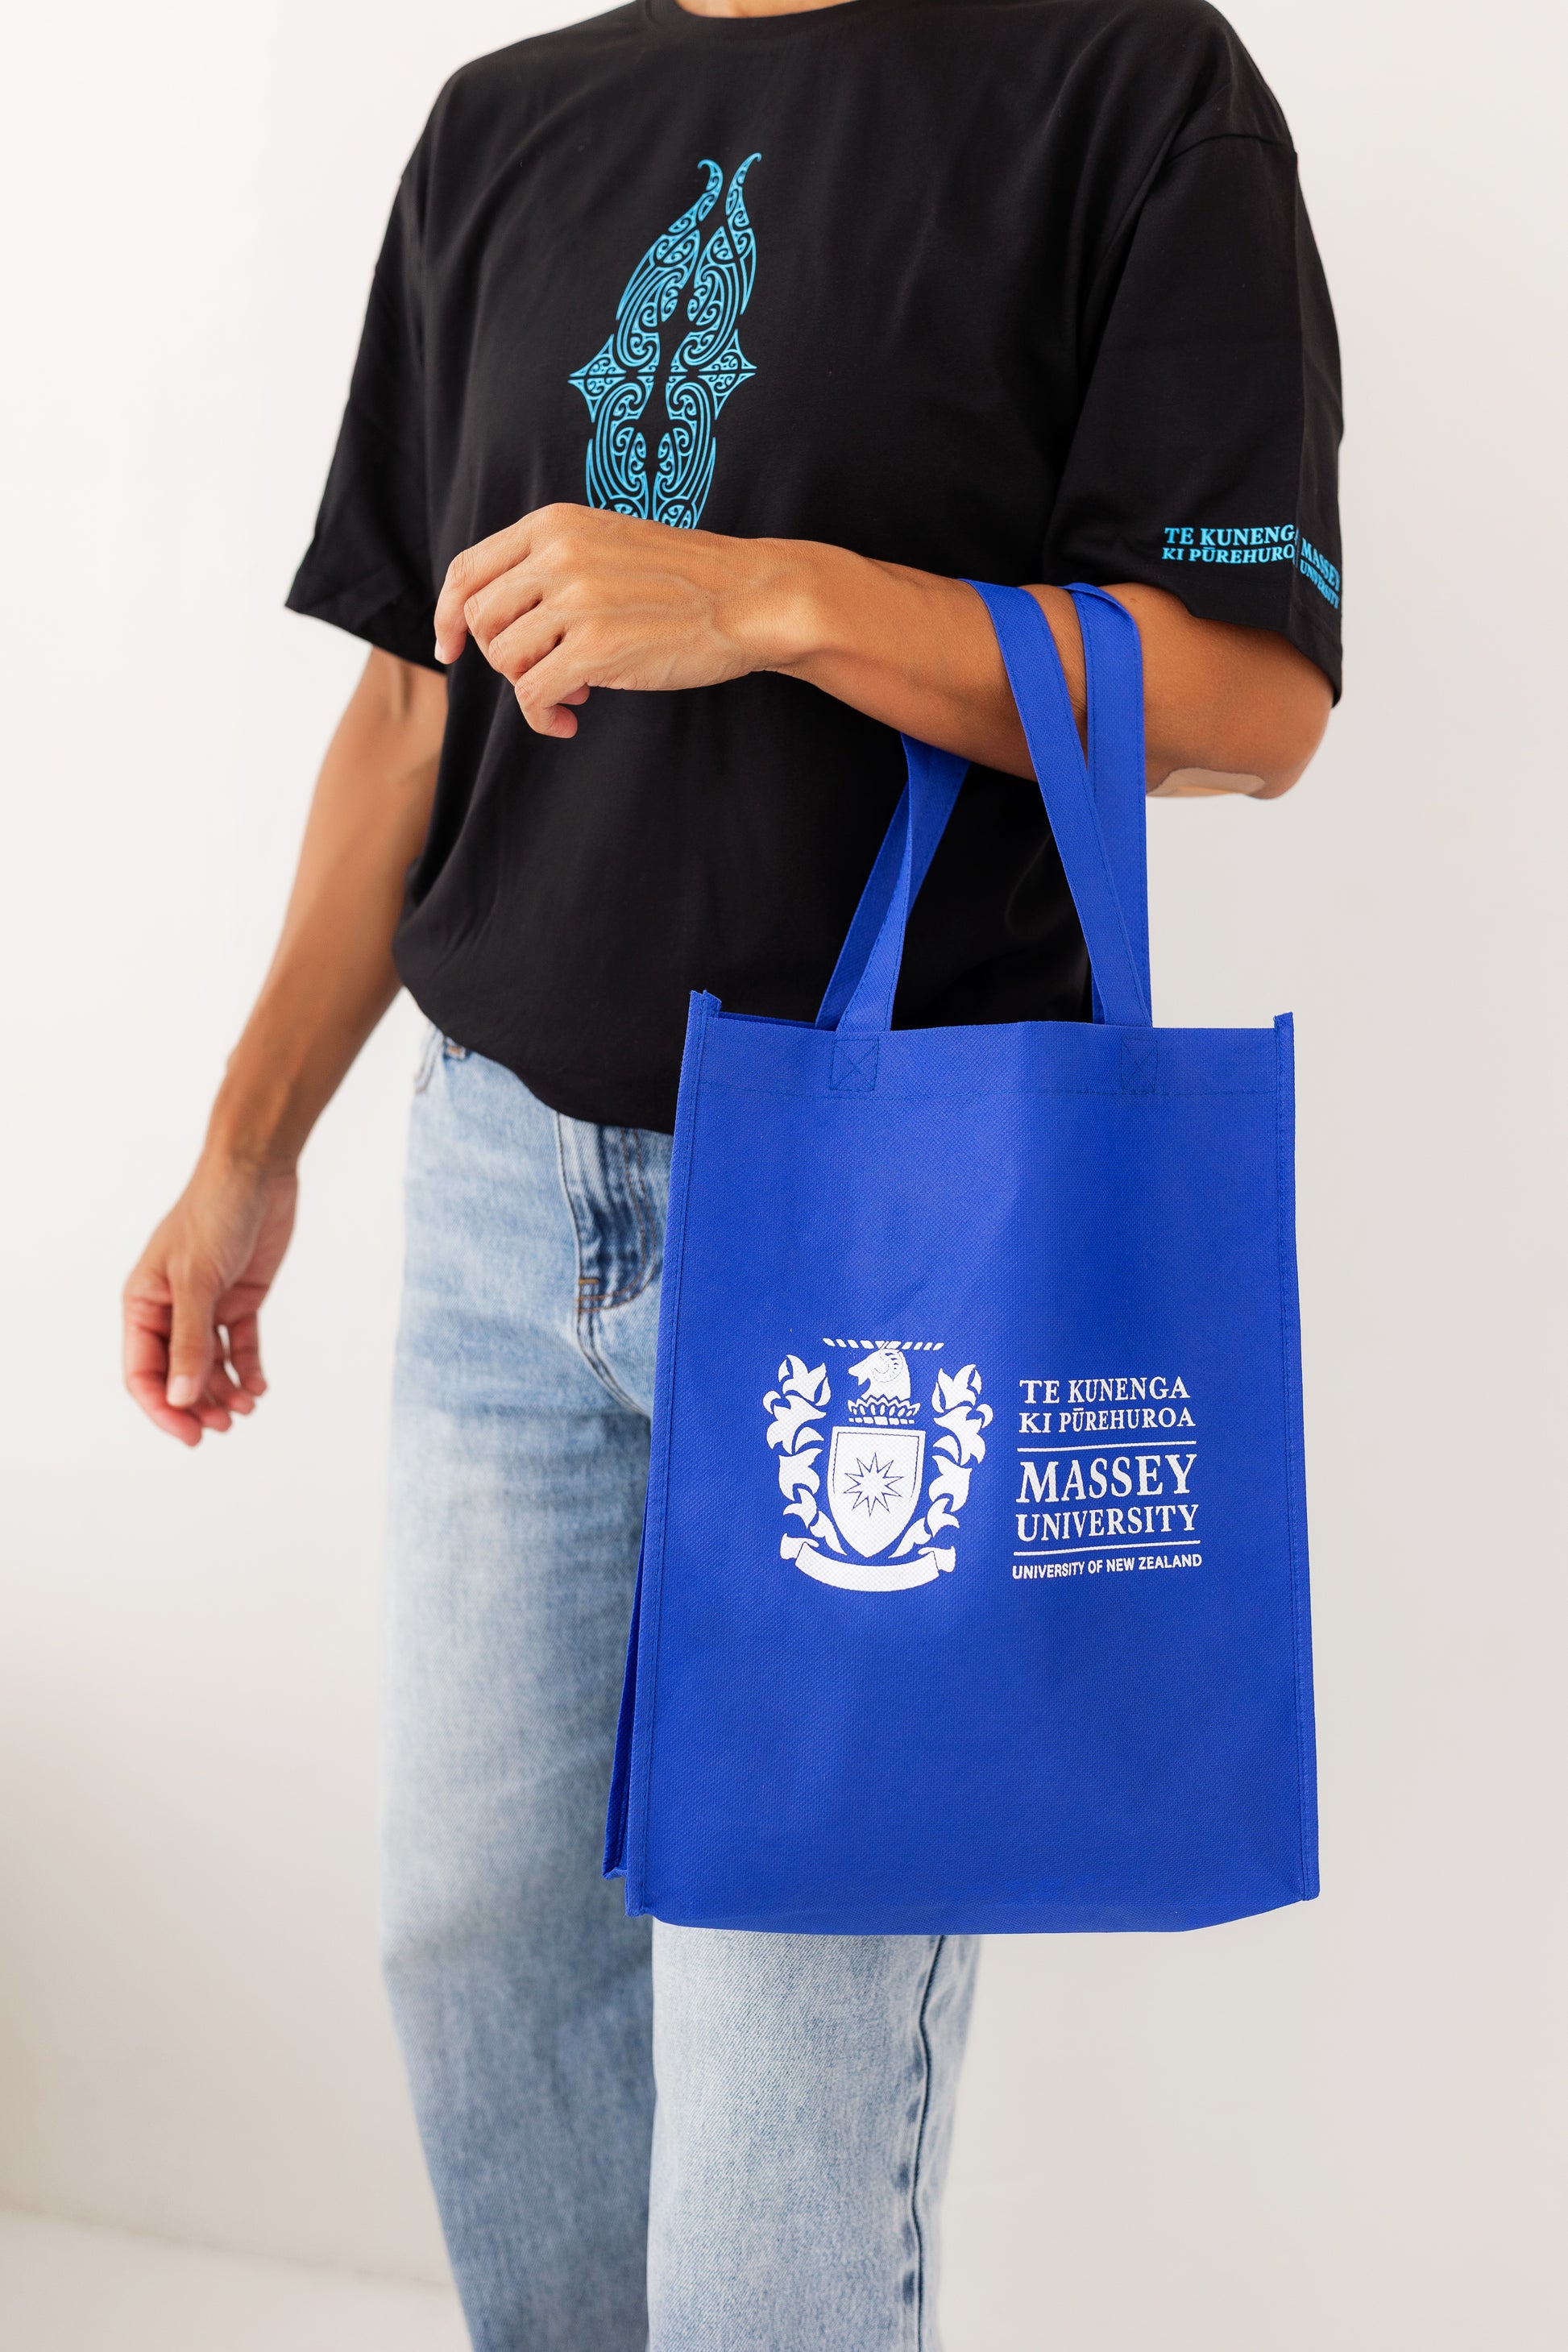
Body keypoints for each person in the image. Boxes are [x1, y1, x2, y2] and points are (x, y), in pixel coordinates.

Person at [122, 0, 1341, 2343]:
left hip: (883, 1251)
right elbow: (410, 695)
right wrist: (243, 1147)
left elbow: (1244, 700)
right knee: (476, 1950)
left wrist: (777, 593)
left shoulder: (1122, 80)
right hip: (499, 1193)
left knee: (780, 2136)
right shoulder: (504, 122)